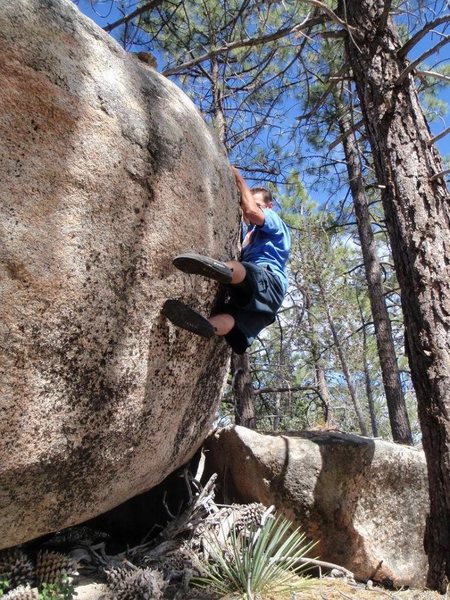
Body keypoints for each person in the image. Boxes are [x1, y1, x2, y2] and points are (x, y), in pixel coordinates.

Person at [162, 166, 291, 354]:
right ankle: (207, 325)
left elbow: (252, 211)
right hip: (268, 303)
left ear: (269, 206)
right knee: (233, 317)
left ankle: (220, 269)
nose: (248, 211)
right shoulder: (250, 236)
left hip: (270, 280)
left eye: (259, 204)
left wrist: (239, 179)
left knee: (246, 271)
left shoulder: (275, 221)